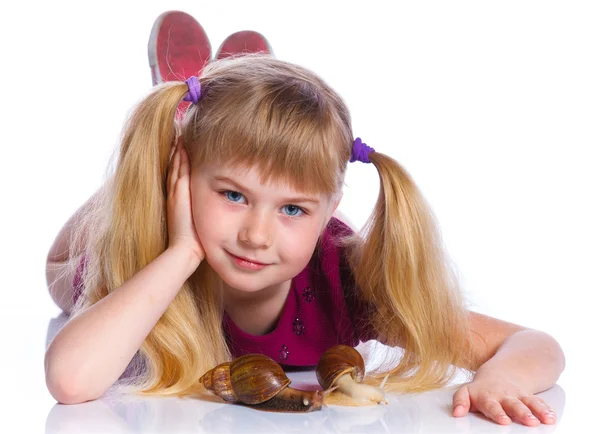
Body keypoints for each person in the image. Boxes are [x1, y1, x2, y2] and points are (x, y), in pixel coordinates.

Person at [44, 11, 565, 427]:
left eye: (293, 209)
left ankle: (225, 97)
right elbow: (70, 381)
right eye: (233, 194)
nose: (256, 234)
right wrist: (180, 247)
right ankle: (181, 127)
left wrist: (500, 379)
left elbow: (536, 346)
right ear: (187, 183)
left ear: (329, 211)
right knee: (59, 279)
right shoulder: (152, 246)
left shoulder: (348, 281)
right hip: (131, 238)